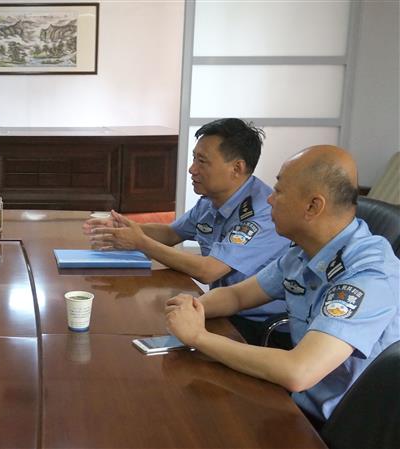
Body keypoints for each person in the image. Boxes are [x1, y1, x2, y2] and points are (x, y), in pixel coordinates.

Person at [164, 145, 400, 426]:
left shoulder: (368, 275)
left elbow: (299, 371)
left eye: (279, 191)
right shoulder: (304, 251)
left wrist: (198, 337)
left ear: (313, 206)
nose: (270, 199)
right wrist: (192, 308)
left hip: (340, 423)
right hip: (298, 400)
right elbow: (239, 295)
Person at [84, 118, 290, 345]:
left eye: (202, 161)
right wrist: (125, 228)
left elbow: (208, 270)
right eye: (194, 158)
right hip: (221, 309)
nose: (192, 169)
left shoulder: (261, 213)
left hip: (261, 327)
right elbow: (172, 234)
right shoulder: (211, 200)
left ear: (236, 168)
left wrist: (140, 242)